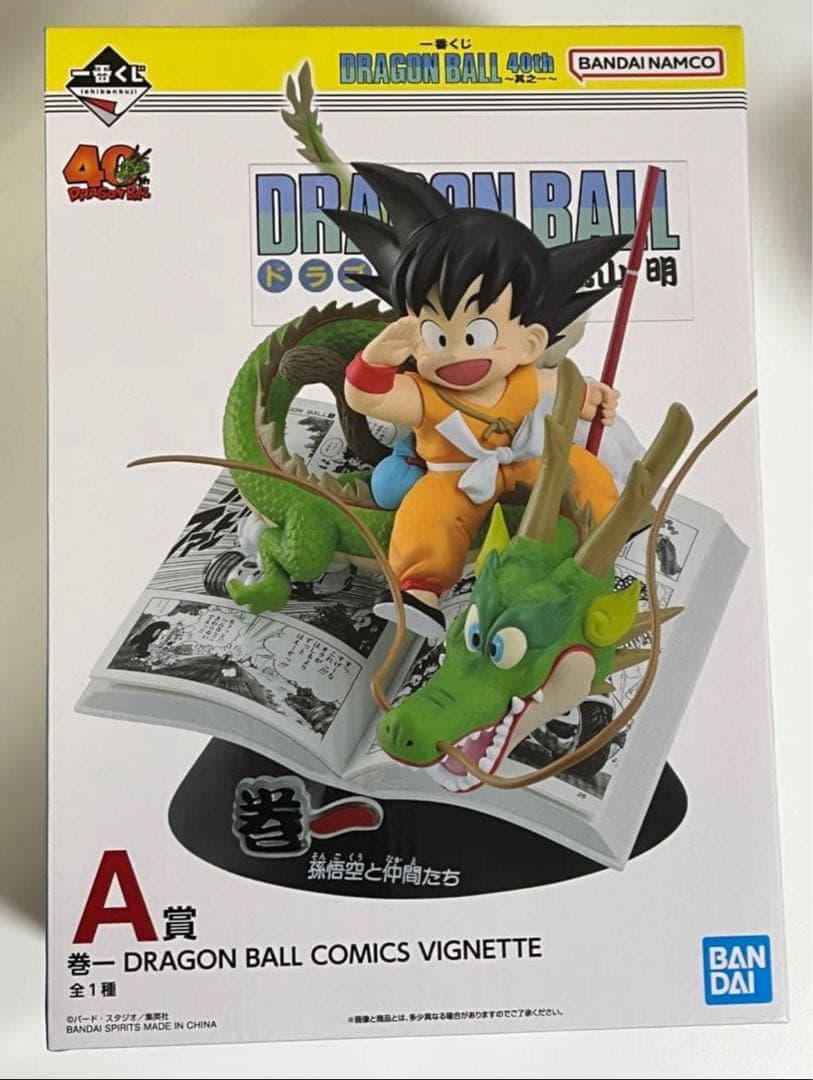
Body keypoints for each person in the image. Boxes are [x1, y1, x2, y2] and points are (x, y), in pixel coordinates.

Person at [327, 164, 628, 639]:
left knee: (584, 473)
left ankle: (605, 536)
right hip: (455, 478)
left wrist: (596, 400)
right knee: (426, 513)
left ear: (530, 342)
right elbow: (368, 396)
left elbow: (566, 390)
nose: (454, 352)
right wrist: (376, 358)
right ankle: (420, 592)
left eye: (476, 334)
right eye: (436, 333)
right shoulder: (426, 394)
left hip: (529, 461)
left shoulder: (526, 377)